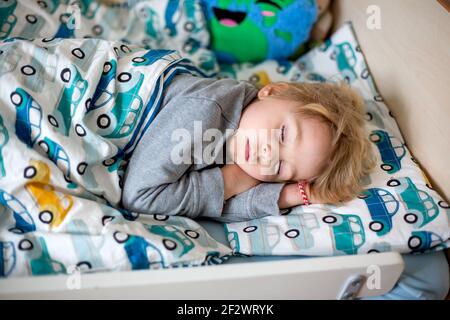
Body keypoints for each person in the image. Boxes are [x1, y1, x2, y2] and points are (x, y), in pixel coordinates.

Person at [121, 73, 376, 222]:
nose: (268, 155)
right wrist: (232, 179)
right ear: (273, 91)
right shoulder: (205, 110)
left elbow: (216, 205)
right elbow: (141, 198)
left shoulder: (250, 135)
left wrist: (291, 195)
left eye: (280, 167)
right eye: (283, 134)